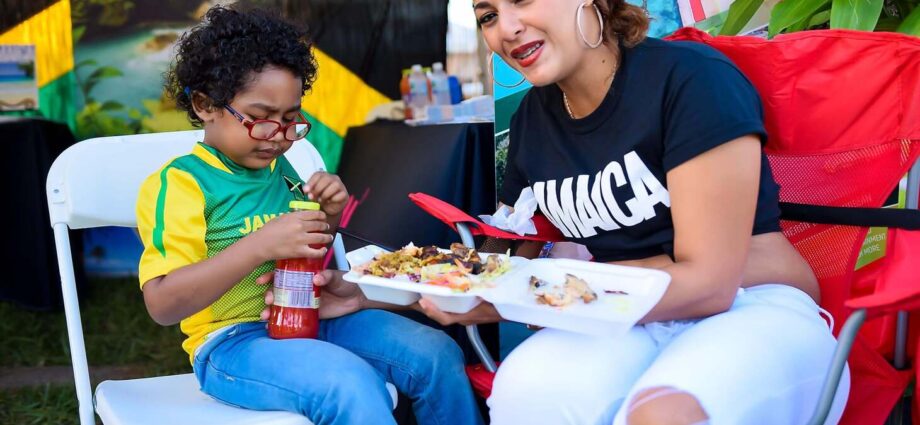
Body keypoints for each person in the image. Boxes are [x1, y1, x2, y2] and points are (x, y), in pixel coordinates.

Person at [417, 0, 850, 424]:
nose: (506, 28)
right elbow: (512, 249)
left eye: (522, 1)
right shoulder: (533, 117)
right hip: (621, 311)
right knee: (524, 395)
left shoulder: (690, 79)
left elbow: (709, 285)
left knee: (662, 414)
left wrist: (525, 296)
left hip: (752, 304)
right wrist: (439, 283)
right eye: (488, 16)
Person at [135, 6, 482, 425]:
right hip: (231, 344)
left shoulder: (282, 171)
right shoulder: (181, 184)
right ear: (206, 104)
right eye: (261, 119)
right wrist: (259, 244)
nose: (280, 137)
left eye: (290, 120)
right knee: (350, 383)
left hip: (309, 317)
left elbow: (306, 258)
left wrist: (329, 216)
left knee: (436, 352)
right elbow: (163, 304)